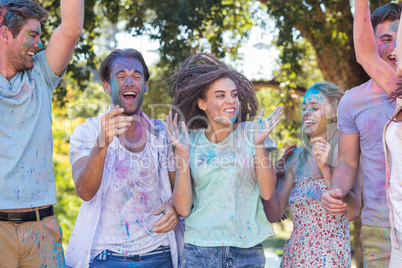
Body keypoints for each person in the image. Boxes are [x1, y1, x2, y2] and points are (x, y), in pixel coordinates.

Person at [66, 48, 181, 268]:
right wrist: (103, 143)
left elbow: (181, 190)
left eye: (137, 76)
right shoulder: (87, 133)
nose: (130, 81)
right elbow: (85, 191)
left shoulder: (164, 134)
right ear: (107, 86)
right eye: (120, 76)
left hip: (160, 254)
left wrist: (175, 207)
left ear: (145, 85)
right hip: (107, 257)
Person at [166, 53, 281, 267]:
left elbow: (267, 192)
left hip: (247, 251)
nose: (231, 101)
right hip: (200, 251)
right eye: (220, 95)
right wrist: (182, 153)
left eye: (234, 94)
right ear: (202, 103)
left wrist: (258, 145)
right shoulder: (189, 141)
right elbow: (182, 208)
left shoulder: (253, 133)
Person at [0, 0, 83, 266]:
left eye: (40, 35)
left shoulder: (41, 74)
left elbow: (71, 29)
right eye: (32, 35)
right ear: (5, 35)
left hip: (41, 230)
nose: (38, 43)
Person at [322, 2, 402, 266]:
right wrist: (336, 190)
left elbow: (365, 55)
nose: (394, 49)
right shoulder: (353, 101)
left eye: (400, 40)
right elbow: (348, 162)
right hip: (377, 227)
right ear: (372, 39)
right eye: (387, 39)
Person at [262, 82, 360, 267]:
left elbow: (352, 212)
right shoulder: (294, 158)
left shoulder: (347, 155)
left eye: (315, 108)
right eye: (304, 108)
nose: (306, 112)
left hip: (331, 259)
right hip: (295, 257)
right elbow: (273, 215)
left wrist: (325, 169)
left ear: (334, 112)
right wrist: (268, 174)